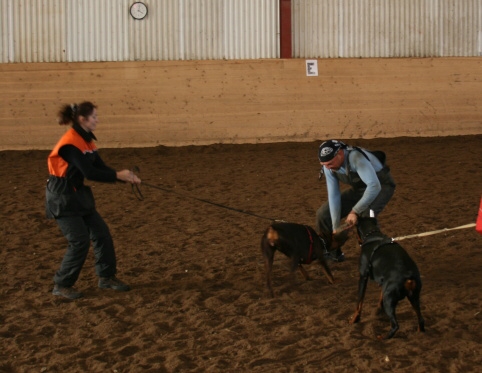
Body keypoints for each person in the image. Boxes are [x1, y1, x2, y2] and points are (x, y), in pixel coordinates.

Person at [46, 101, 141, 299]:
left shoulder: (86, 140)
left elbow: (101, 166)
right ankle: (61, 284)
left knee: (102, 234)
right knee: (79, 241)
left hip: (78, 195)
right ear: (83, 119)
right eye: (94, 117)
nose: (97, 120)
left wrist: (124, 176)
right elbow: (89, 172)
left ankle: (106, 277)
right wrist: (117, 176)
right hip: (62, 197)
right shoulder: (70, 144)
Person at [316, 139, 396, 262]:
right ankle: (332, 253)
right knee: (323, 214)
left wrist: (355, 211)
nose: (327, 168)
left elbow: (374, 186)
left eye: (330, 164)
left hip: (381, 187)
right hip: (361, 189)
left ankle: (378, 254)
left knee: (366, 215)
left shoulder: (356, 158)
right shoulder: (328, 167)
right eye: (324, 165)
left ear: (340, 154)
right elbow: (334, 195)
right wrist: (335, 226)